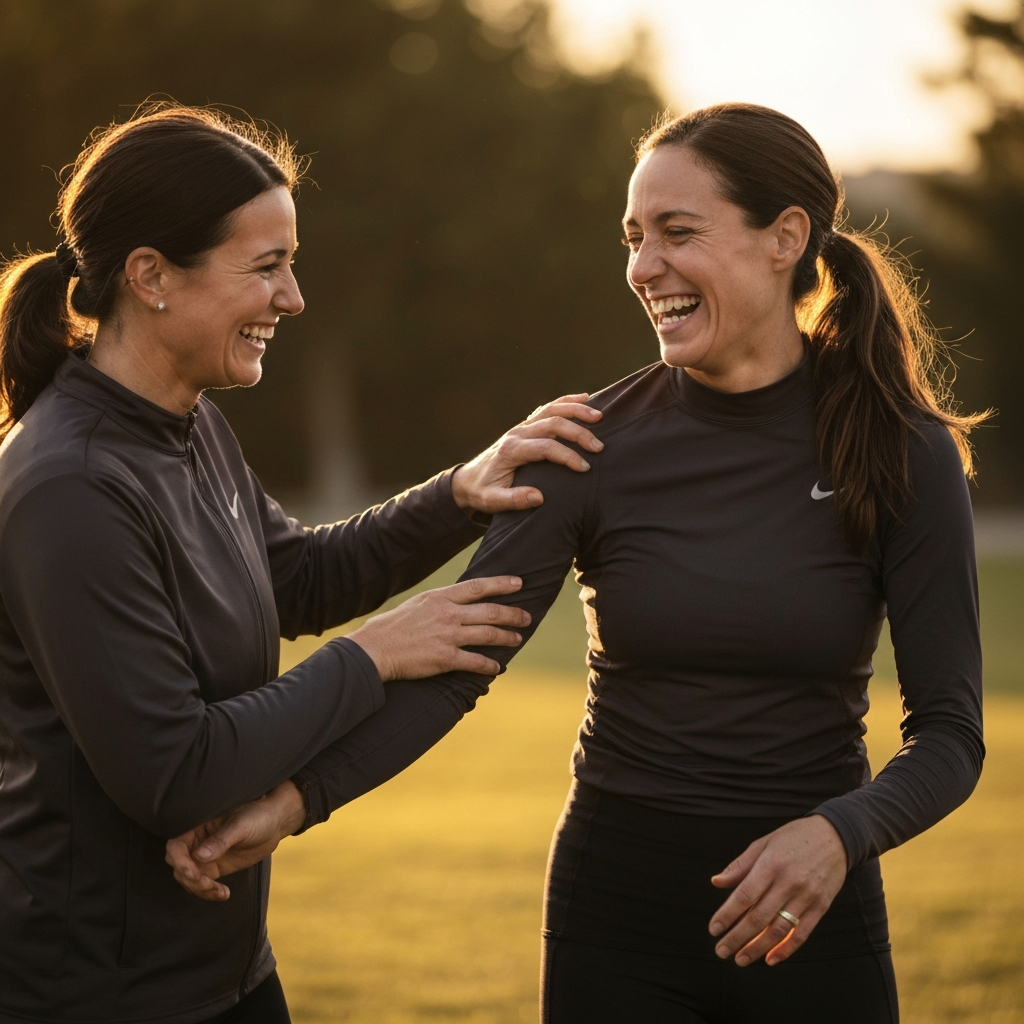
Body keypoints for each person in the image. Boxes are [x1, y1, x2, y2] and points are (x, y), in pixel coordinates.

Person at [169, 104, 986, 1024]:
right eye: (634, 240)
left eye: (678, 233)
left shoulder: (901, 449)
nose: (644, 269)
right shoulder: (588, 444)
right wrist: (291, 802)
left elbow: (951, 734)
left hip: (815, 914)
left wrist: (842, 834)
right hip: (617, 915)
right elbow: (454, 675)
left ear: (785, 238)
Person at [0, 103, 608, 1024]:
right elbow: (175, 775)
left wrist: (461, 492)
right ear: (152, 276)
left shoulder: (187, 421)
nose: (292, 299)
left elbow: (299, 579)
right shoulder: (69, 489)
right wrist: (374, 657)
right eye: (267, 267)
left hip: (227, 971)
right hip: (103, 995)